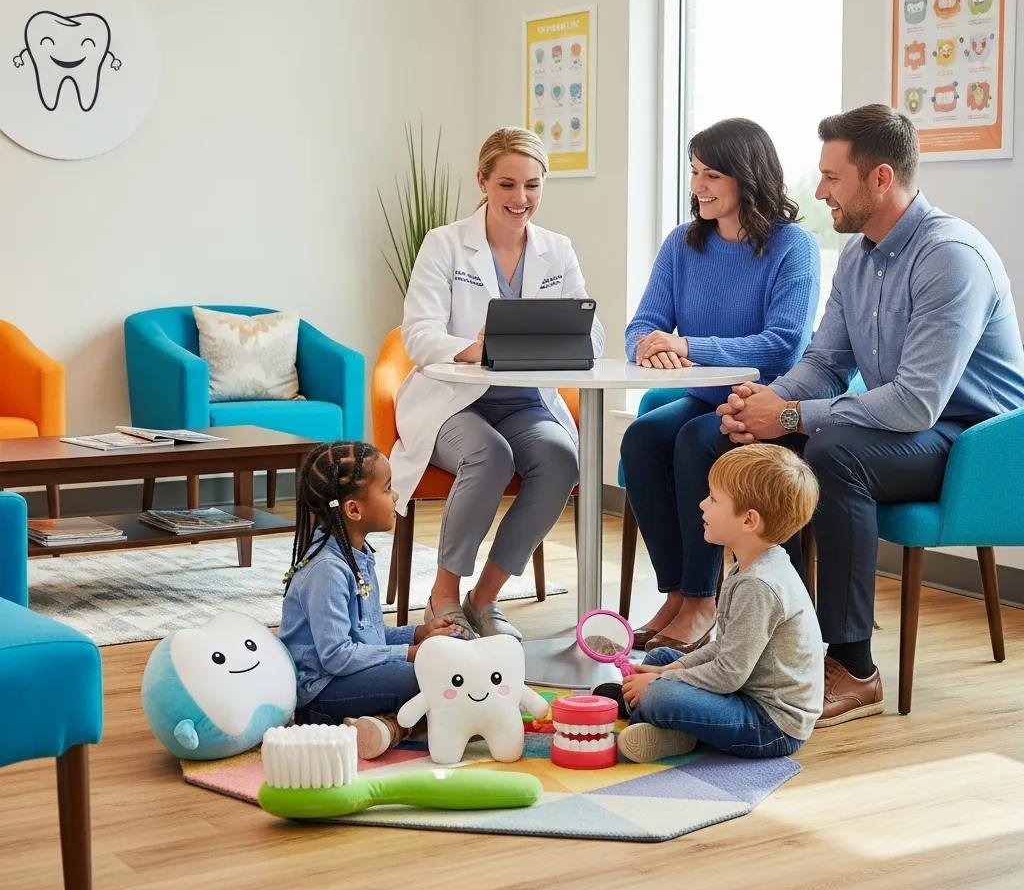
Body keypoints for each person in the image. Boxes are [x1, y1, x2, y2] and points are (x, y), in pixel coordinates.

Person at [677, 103, 1024, 726]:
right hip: (907, 429)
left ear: (881, 178)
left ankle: (854, 666)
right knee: (739, 443)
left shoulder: (950, 257)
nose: (819, 192)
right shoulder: (861, 256)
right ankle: (770, 639)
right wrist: (764, 407)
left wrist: (791, 418)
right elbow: (825, 361)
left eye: (832, 178)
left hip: (976, 444)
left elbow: (917, 401)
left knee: (834, 453)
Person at [390, 126, 605, 641]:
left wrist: (560, 340)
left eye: (532, 185)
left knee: (562, 458)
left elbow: (591, 329)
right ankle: (443, 595)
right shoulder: (444, 244)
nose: (520, 198)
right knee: (490, 455)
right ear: (483, 181)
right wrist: (473, 348)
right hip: (454, 403)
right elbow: (418, 333)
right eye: (507, 184)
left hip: (525, 403)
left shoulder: (557, 249)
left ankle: (484, 599)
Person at [620, 117, 820, 652]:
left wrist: (688, 345)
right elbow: (642, 327)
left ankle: (702, 600)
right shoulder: (682, 245)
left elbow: (783, 345)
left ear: (746, 176)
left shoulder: (792, 246)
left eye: (711, 174)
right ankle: (677, 594)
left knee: (695, 439)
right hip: (708, 397)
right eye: (694, 172)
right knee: (642, 437)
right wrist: (652, 346)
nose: (698, 186)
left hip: (770, 406)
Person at [604, 444, 823, 763]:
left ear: (748, 520)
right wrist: (667, 669)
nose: (702, 504)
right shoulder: (749, 566)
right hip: (743, 690)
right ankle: (665, 720)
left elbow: (728, 674)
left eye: (714, 499)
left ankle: (658, 718)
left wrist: (661, 680)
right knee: (662, 656)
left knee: (660, 694)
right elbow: (723, 648)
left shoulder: (759, 585)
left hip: (770, 726)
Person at [279, 441, 466, 759]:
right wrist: (410, 653)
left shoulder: (357, 555)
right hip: (322, 695)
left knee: (453, 657)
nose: (395, 496)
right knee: (430, 676)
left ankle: (384, 728)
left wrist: (418, 633)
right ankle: (396, 726)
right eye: (387, 488)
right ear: (354, 510)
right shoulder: (327, 571)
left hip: (349, 677)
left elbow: (368, 636)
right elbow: (337, 656)